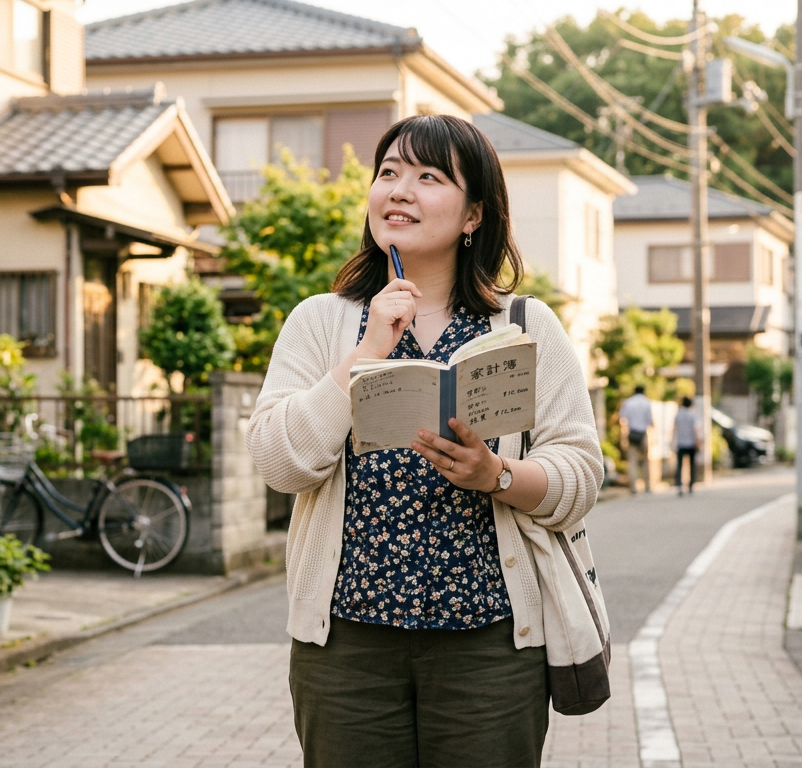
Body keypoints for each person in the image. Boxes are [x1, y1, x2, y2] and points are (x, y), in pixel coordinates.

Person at [245, 114, 603, 768]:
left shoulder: (526, 328)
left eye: (428, 177)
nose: (399, 191)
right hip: (347, 650)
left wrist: (493, 473)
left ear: (473, 215)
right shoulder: (321, 323)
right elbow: (277, 462)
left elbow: (579, 478)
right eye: (388, 173)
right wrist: (368, 351)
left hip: (491, 647)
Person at [618, 385, 653, 494]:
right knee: (646, 461)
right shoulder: (647, 403)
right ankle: (647, 486)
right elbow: (651, 421)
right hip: (643, 433)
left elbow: (622, 418)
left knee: (632, 461)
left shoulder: (628, 402)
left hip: (632, 433)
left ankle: (633, 487)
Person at [673, 395, 700, 496]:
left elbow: (674, 429)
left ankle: (679, 486)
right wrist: (697, 442)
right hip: (691, 443)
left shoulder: (678, 415)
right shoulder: (692, 415)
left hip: (680, 443)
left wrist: (672, 442)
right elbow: (696, 430)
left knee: (679, 466)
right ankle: (690, 486)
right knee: (692, 465)